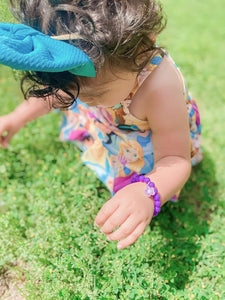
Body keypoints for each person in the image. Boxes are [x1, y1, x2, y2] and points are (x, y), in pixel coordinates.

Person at [0, 0, 202, 250]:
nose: (82, 101)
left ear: (142, 48)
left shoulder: (160, 88)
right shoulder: (92, 78)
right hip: (111, 127)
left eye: (95, 95)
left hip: (153, 140)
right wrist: (16, 117)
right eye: (73, 91)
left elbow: (175, 159)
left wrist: (147, 191)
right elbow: (57, 94)